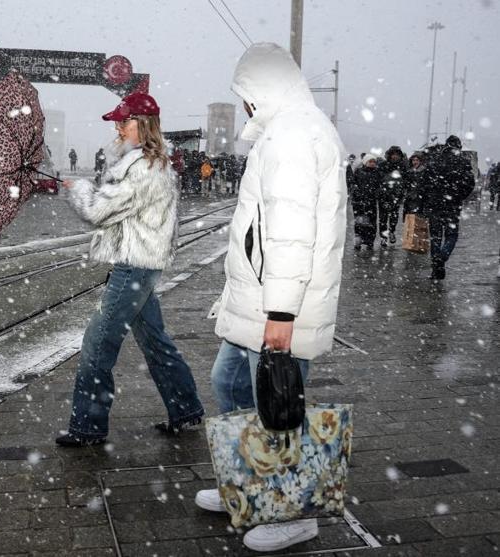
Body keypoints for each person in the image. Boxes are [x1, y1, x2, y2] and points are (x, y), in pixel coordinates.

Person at [194, 43, 347, 553]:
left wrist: (281, 313)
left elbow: (290, 232)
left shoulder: (294, 135)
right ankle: (247, 485)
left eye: (246, 93)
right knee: (231, 382)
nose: (243, 103)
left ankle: (292, 512)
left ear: (265, 88)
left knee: (277, 406)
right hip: (256, 300)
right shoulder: (287, 130)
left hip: (277, 306)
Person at [55, 91, 205, 447]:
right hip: (143, 264)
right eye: (118, 122)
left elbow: (98, 211)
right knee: (154, 341)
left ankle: (88, 428)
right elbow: (122, 210)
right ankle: (186, 410)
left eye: (125, 121)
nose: (119, 128)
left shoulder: (144, 168)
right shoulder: (150, 164)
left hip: (134, 266)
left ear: (144, 124)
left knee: (97, 344)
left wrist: (81, 189)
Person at [423, 135, 475, 280]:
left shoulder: (435, 160)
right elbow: (470, 184)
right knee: (451, 235)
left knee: (436, 237)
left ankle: (436, 269)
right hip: (452, 204)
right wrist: (459, 196)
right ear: (459, 147)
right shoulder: (463, 161)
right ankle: (442, 257)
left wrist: (428, 199)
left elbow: (424, 183)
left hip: (435, 205)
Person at [377, 146, 407, 247]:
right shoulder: (383, 165)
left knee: (394, 217)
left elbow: (405, 180)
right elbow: (379, 180)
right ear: (389, 155)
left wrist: (401, 193)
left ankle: (391, 232)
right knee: (383, 219)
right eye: (393, 154)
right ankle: (383, 238)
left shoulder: (402, 166)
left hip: (396, 196)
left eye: (397, 154)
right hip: (383, 196)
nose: (395, 156)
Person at [351, 154, 382, 250]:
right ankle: (358, 241)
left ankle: (369, 241)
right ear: (365, 162)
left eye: (374, 162)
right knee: (359, 223)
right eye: (370, 161)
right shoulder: (358, 172)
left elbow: (379, 186)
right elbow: (353, 183)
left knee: (371, 223)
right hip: (359, 202)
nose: (372, 163)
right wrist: (357, 193)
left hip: (371, 202)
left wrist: (376, 193)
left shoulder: (377, 173)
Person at [402, 151, 428, 216]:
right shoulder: (409, 172)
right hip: (409, 199)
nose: (415, 162)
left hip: (420, 199)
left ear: (420, 161)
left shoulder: (425, 171)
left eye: (417, 160)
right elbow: (406, 184)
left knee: (418, 217)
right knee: (409, 217)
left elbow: (426, 185)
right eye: (413, 160)